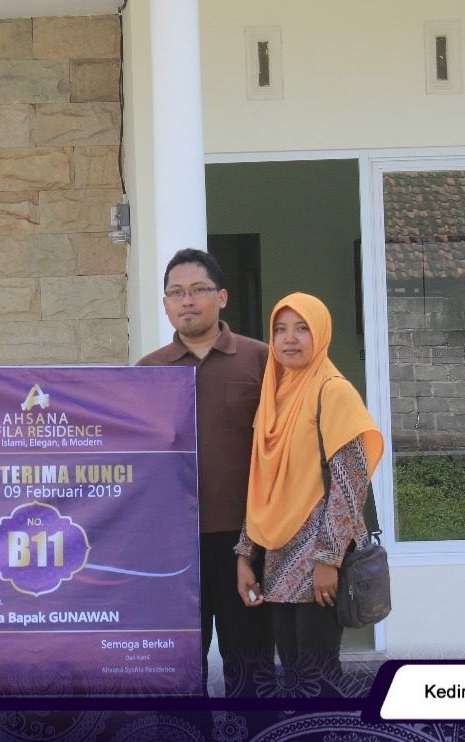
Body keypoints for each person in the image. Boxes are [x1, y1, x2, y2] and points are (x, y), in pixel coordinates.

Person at [137, 248, 275, 697]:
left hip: (245, 541)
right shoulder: (147, 372)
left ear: (222, 297)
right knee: (176, 672)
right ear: (165, 303)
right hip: (171, 545)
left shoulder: (261, 360)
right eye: (176, 293)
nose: (187, 301)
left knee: (251, 667)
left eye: (198, 290)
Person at [234, 292, 383, 697]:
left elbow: (351, 484)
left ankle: (329, 726)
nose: (290, 338)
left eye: (302, 328)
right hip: (278, 557)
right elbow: (262, 484)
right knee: (295, 673)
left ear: (321, 334)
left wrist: (329, 560)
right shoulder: (274, 397)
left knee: (319, 674)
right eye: (280, 329)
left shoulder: (333, 392)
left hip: (318, 553)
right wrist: (245, 555)